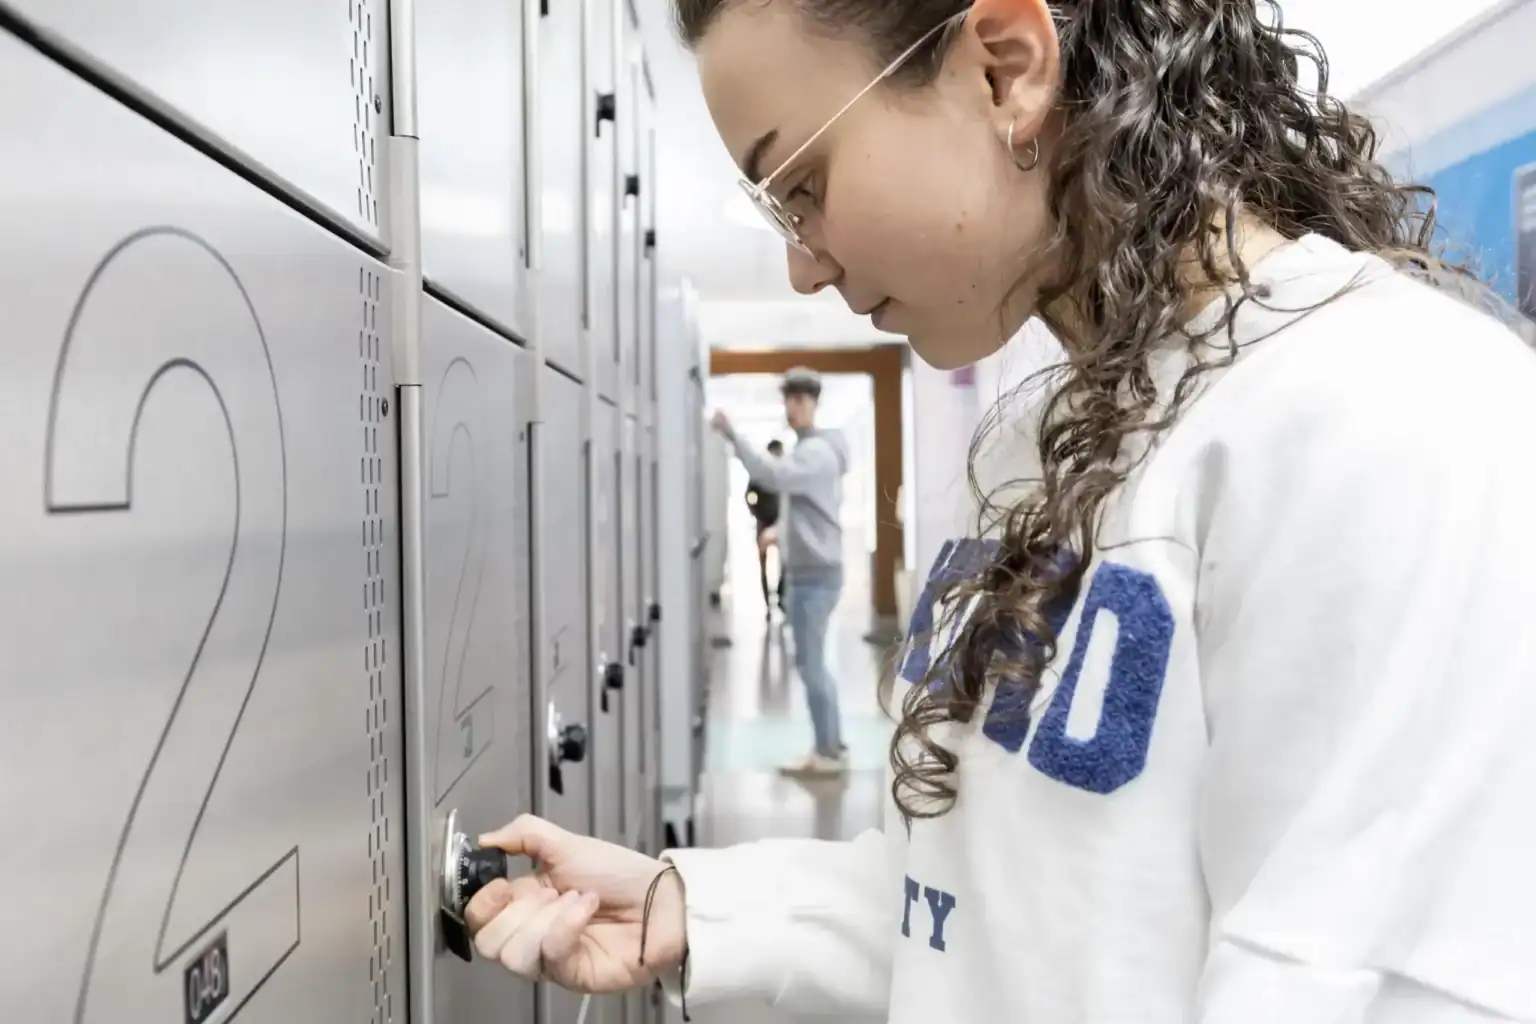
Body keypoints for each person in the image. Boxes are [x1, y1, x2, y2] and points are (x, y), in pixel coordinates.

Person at [462, 1, 1536, 1021]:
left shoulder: (1395, 421)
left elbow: (1343, 984)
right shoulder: (1043, 442)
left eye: (803, 183)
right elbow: (991, 901)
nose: (801, 261)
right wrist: (681, 905)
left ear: (1004, 69)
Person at [714, 367, 851, 774]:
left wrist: (732, 435)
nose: (792, 408)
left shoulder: (816, 453)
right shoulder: (810, 447)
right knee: (814, 665)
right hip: (812, 571)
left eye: (800, 400)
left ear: (814, 403)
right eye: (788, 400)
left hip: (814, 576)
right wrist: (779, 531)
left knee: (812, 667)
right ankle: (833, 743)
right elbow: (805, 503)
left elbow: (772, 476)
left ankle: (828, 753)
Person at [744, 439, 786, 615]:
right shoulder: (760, 475)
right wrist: (756, 514)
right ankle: (768, 604)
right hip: (763, 523)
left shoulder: (786, 473)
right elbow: (749, 496)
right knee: (763, 564)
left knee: (786, 563)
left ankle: (781, 596)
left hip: (780, 525)